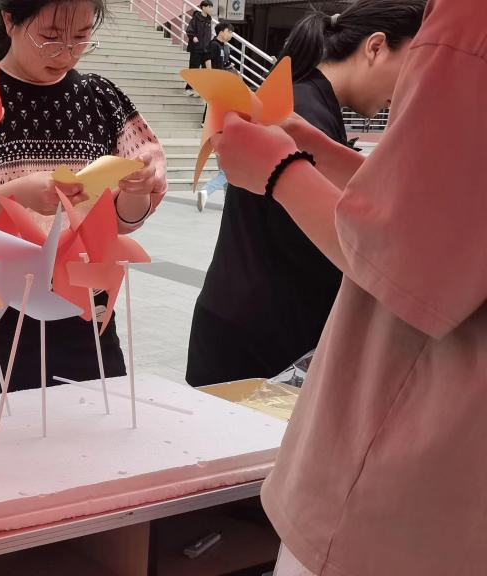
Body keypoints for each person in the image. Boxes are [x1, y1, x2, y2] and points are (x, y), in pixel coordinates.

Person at [211, 0, 485, 573]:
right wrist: (309, 152)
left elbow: (406, 255)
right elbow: (429, 208)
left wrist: (282, 171)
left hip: (397, 469)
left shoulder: (468, 24)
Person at [0, 0, 167, 399]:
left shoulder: (103, 101)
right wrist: (16, 194)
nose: (66, 53)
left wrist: (135, 191)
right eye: (50, 37)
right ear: (10, 20)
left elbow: (124, 220)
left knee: (94, 421)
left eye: (81, 38)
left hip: (86, 308)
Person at [186, 0, 426, 387]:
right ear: (376, 47)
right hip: (262, 343)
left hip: (248, 326)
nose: (414, 88)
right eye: (415, 67)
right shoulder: (304, 111)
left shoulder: (303, 107)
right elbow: (336, 243)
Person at [196, 22, 234, 211]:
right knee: (227, 173)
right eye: (229, 31)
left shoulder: (226, 48)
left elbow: (227, 65)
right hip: (221, 136)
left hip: (219, 140)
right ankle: (206, 191)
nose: (231, 35)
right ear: (221, 32)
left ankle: (228, 205)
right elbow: (209, 66)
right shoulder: (212, 46)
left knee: (225, 172)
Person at [184, 0, 214, 97]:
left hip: (206, 49)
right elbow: (189, 30)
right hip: (196, 48)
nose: (211, 9)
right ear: (203, 7)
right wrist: (193, 37)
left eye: (211, 7)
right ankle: (189, 88)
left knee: (205, 70)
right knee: (194, 69)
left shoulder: (209, 19)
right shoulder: (196, 18)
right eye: (209, 7)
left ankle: (201, 90)